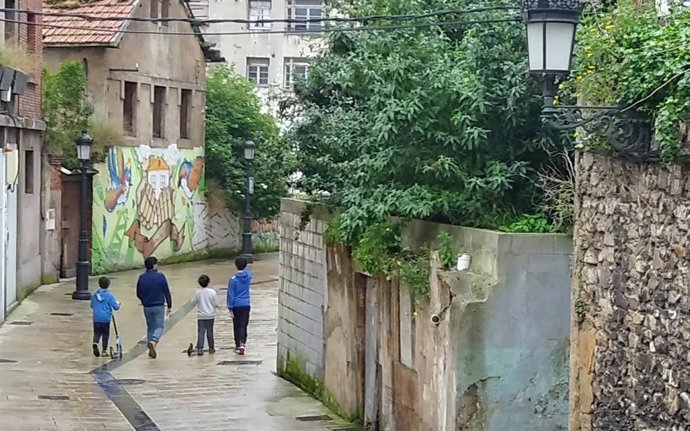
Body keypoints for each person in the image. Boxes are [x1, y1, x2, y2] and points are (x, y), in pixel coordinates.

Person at [136, 256, 172, 359]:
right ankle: (153, 341)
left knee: (150, 326)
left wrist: (144, 301)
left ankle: (152, 348)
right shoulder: (160, 276)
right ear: (154, 265)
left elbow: (138, 293)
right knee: (159, 326)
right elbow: (167, 291)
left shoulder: (141, 277)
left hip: (147, 306)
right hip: (159, 305)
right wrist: (169, 305)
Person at [90, 277, 121, 358]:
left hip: (96, 318)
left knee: (97, 332)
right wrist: (118, 304)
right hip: (105, 319)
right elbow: (116, 307)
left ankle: (95, 342)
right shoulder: (110, 296)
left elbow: (92, 305)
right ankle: (104, 350)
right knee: (105, 334)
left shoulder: (95, 295)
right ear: (108, 285)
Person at [227, 257, 251, 355]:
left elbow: (231, 294)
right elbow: (247, 271)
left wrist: (230, 307)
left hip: (236, 305)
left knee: (237, 325)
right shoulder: (248, 276)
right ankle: (243, 343)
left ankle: (238, 345)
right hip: (246, 304)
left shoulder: (233, 280)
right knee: (244, 325)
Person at [190, 274, 219, 356]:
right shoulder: (212, 292)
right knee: (210, 331)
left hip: (201, 315)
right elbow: (216, 303)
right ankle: (211, 347)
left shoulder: (198, 292)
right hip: (210, 315)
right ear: (208, 282)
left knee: (201, 332)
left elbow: (193, 302)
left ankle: (200, 348)